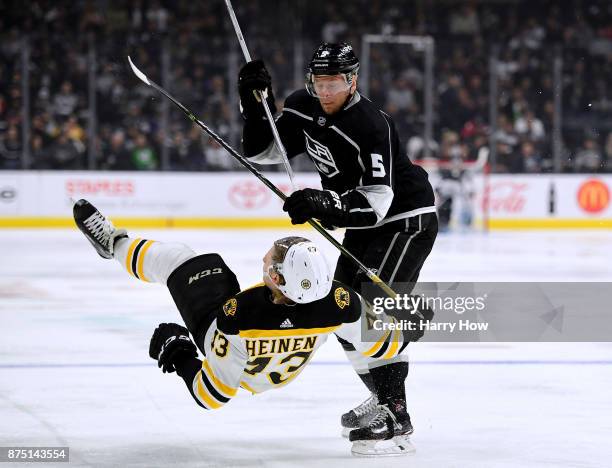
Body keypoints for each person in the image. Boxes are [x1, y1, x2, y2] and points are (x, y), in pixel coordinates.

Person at [72, 199, 431, 457]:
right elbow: (385, 348)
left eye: (272, 258)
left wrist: (180, 352)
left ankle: (115, 245)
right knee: (369, 339)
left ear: (276, 277)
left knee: (186, 261)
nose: (266, 256)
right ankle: (395, 410)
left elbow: (212, 394)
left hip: (239, 357)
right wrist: (407, 325)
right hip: (281, 367)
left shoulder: (239, 314)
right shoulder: (340, 303)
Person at [238, 42, 438, 442]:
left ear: (352, 80)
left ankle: (395, 413)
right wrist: (254, 104)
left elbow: (378, 203)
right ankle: (386, 398)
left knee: (366, 312)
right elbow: (262, 152)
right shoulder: (301, 105)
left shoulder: (371, 123)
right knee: (342, 315)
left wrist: (323, 202)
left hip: (404, 220)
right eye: (319, 81)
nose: (326, 91)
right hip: (362, 225)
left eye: (335, 82)